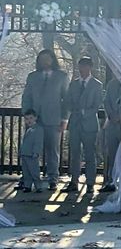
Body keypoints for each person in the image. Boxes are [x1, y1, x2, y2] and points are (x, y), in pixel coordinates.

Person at [21, 49, 69, 191]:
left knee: (52, 151)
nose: (45, 62)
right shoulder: (32, 77)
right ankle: (28, 179)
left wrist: (64, 119)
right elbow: (26, 97)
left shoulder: (62, 76)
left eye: (47, 59)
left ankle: (52, 178)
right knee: (30, 150)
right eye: (42, 59)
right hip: (34, 120)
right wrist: (27, 115)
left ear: (53, 60)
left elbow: (66, 100)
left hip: (53, 119)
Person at [63, 57, 103, 194]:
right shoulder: (74, 84)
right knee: (74, 154)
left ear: (90, 68)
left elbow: (97, 105)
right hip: (75, 123)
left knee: (90, 154)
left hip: (89, 124)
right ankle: (74, 181)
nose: (82, 70)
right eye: (80, 67)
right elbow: (67, 101)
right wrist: (73, 110)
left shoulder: (97, 85)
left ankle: (90, 183)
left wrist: (83, 112)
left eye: (85, 67)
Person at [101, 76, 121, 192]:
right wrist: (111, 115)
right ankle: (111, 181)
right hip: (112, 123)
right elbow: (106, 101)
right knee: (111, 153)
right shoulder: (112, 83)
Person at [19, 109, 44, 193]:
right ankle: (27, 186)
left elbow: (38, 142)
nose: (28, 121)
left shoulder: (38, 129)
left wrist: (36, 152)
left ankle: (38, 186)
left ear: (35, 118)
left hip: (32, 154)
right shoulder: (28, 129)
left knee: (34, 172)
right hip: (25, 154)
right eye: (26, 119)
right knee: (26, 172)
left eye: (30, 118)